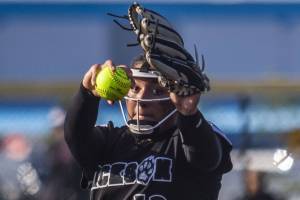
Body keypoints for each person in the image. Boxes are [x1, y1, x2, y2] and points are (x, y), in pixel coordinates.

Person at [64, 53, 233, 199]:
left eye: (157, 91)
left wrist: (190, 115)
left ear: (176, 97)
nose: (142, 99)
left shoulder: (192, 136)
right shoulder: (110, 140)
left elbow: (207, 156)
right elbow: (76, 135)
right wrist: (87, 94)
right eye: (135, 88)